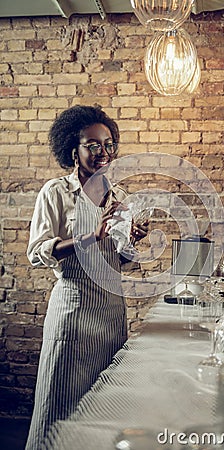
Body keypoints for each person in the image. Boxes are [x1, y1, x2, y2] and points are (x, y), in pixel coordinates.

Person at [25, 105, 148, 449]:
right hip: (74, 313)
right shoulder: (55, 193)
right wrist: (90, 236)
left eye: (108, 145)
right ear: (73, 151)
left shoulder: (119, 197)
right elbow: (37, 251)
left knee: (104, 409)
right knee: (59, 408)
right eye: (92, 145)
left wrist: (132, 241)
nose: (103, 153)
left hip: (111, 314)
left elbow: (119, 262)